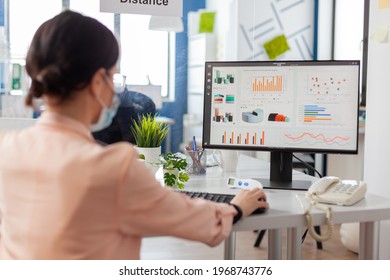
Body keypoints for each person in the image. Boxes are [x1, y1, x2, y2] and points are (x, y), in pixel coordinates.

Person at [0, 10, 268, 260]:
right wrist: (237, 207)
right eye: (114, 77)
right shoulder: (113, 169)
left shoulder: (7, 149)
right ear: (96, 82)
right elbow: (196, 221)